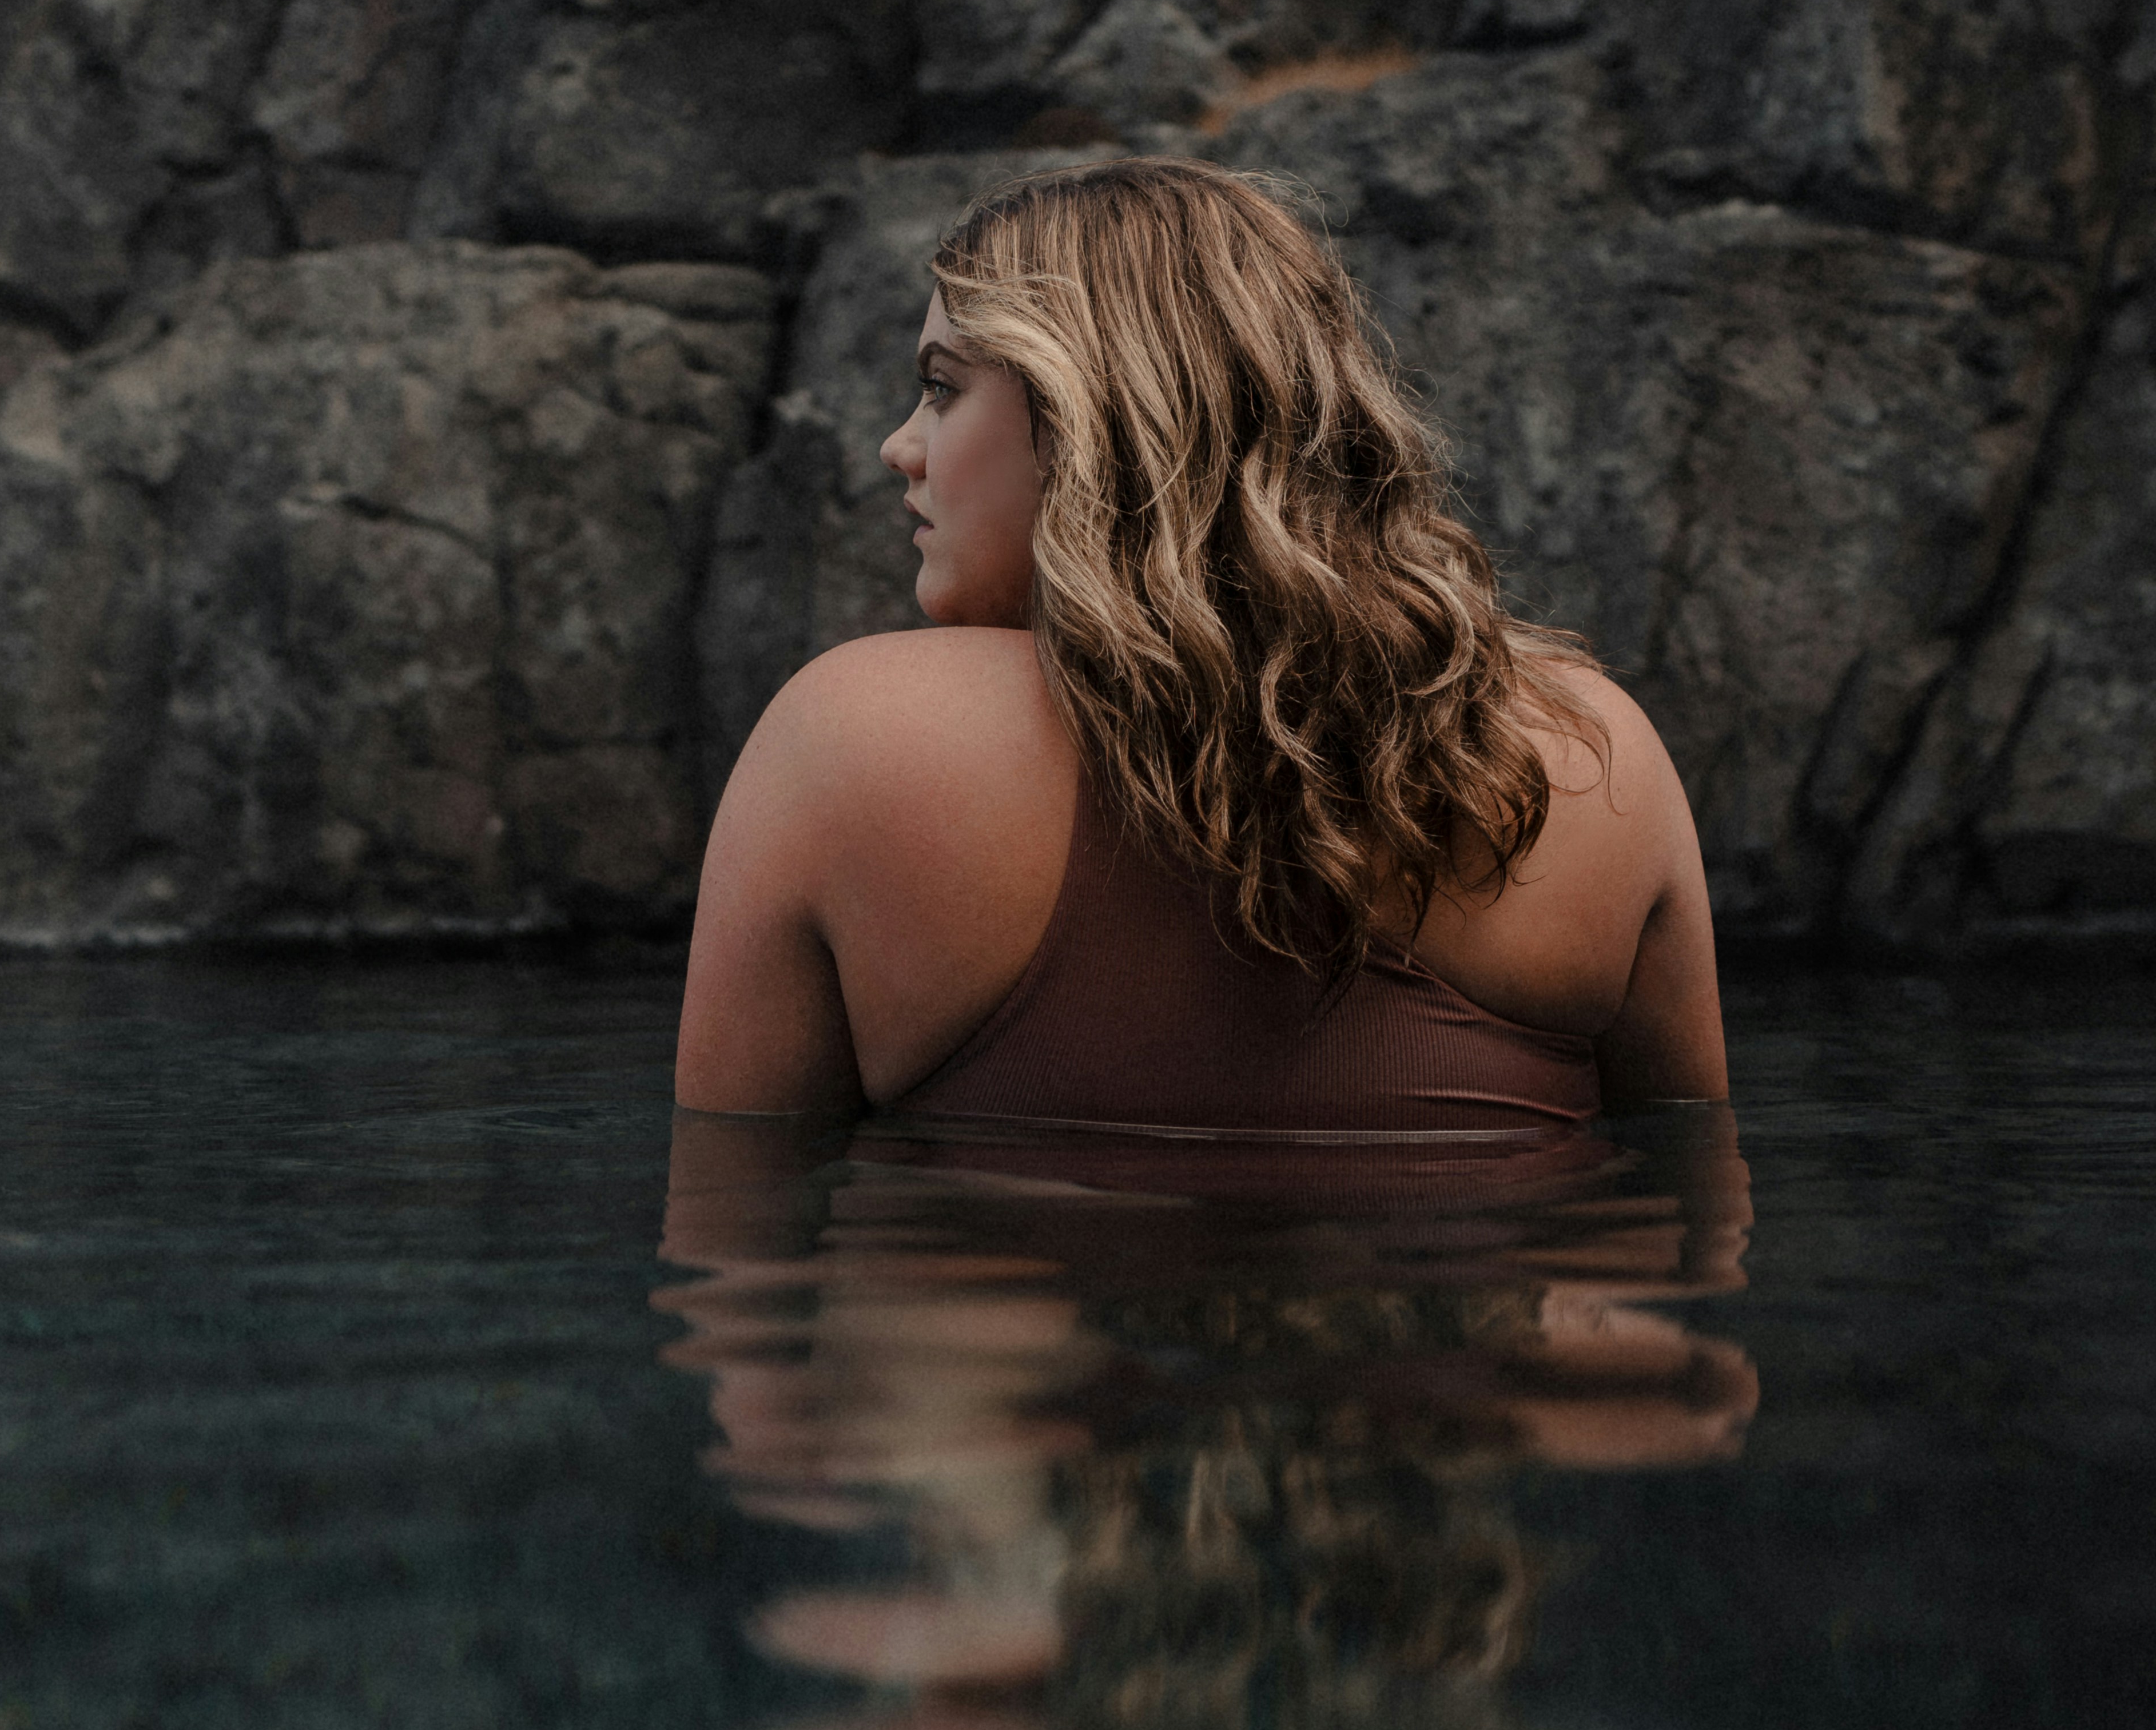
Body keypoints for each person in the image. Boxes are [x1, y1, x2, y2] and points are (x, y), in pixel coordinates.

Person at [673, 155, 1727, 1131]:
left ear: (1087, 418)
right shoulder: (1593, 751)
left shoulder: (855, 735)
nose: (899, 446)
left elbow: (731, 1214)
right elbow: (1696, 1198)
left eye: (943, 388)